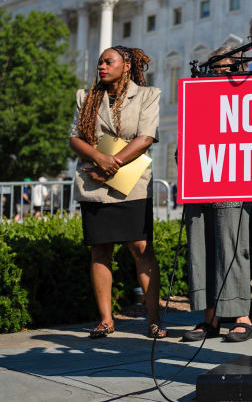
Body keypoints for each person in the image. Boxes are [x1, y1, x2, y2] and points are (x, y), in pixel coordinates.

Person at [68, 46, 164, 339]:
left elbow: (146, 137)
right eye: (99, 62)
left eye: (108, 61)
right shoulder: (85, 97)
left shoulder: (148, 95)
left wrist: (113, 163)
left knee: (141, 248)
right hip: (94, 183)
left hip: (131, 183)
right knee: (100, 250)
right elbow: (75, 138)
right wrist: (100, 159)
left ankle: (154, 319)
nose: (101, 66)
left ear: (126, 65)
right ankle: (106, 320)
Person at [181, 47, 252, 343]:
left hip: (234, 181)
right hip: (201, 179)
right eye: (213, 68)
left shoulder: (248, 96)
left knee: (232, 246)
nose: (217, 73)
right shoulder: (199, 94)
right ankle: (209, 317)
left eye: (224, 68)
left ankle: (242, 317)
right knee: (200, 247)